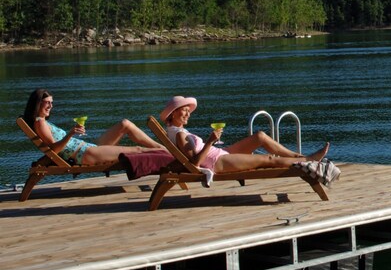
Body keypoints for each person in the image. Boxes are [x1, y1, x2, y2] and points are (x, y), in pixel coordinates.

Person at [160, 95, 331, 174]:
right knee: (267, 159)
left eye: (188, 111)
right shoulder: (179, 135)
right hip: (216, 161)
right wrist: (210, 141)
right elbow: (195, 163)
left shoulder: (178, 132)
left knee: (260, 136)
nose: (188, 114)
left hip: (221, 153)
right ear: (173, 114)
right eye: (184, 111)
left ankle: (299, 156)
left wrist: (212, 143)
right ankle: (307, 160)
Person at [22, 89, 164, 165]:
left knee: (124, 124)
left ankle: (164, 148)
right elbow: (54, 150)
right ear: (38, 103)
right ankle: (169, 153)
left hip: (88, 148)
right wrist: (70, 133)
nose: (50, 106)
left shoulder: (44, 122)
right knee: (138, 150)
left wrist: (72, 133)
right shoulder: (40, 123)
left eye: (51, 103)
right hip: (84, 154)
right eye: (47, 102)